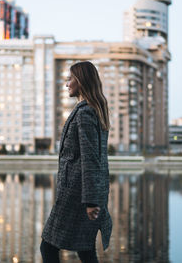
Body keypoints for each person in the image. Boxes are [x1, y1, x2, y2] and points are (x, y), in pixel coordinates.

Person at [40, 61, 112, 263]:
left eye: (70, 79)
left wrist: (90, 201)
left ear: (81, 81)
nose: (67, 84)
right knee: (85, 248)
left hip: (77, 195)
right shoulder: (91, 111)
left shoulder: (86, 113)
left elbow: (90, 158)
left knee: (48, 246)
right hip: (81, 193)